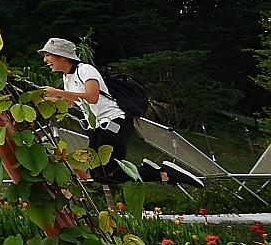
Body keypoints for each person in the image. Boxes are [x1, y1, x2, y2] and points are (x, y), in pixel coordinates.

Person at [38, 37, 202, 186]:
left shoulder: (86, 70)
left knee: (106, 170)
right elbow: (72, 102)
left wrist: (57, 92)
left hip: (115, 122)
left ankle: (164, 173)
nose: (45, 60)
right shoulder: (68, 78)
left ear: (62, 56)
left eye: (48, 55)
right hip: (97, 126)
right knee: (100, 175)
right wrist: (43, 98)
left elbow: (92, 96)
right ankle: (159, 173)